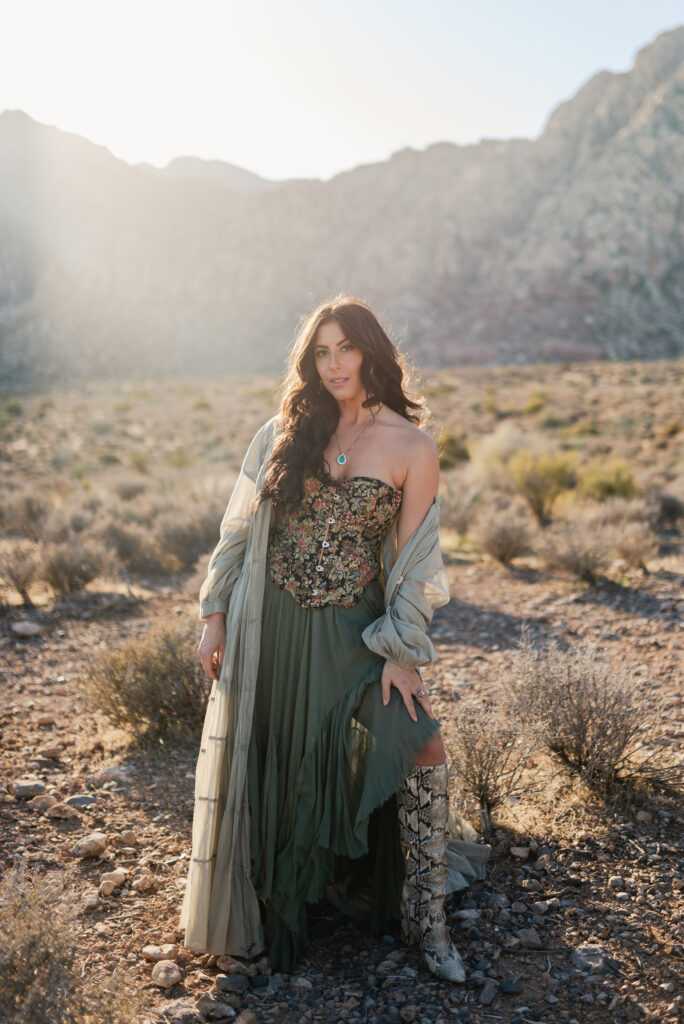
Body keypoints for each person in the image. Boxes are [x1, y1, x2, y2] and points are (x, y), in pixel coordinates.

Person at [179, 295, 490, 981]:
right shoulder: (282, 435)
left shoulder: (412, 447)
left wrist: (404, 654)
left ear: (372, 352)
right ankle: (287, 896)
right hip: (274, 629)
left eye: (344, 347)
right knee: (282, 757)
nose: (333, 363)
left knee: (421, 737)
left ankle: (427, 922)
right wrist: (214, 614)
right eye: (320, 352)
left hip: (358, 636)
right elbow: (236, 534)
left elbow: (414, 567)